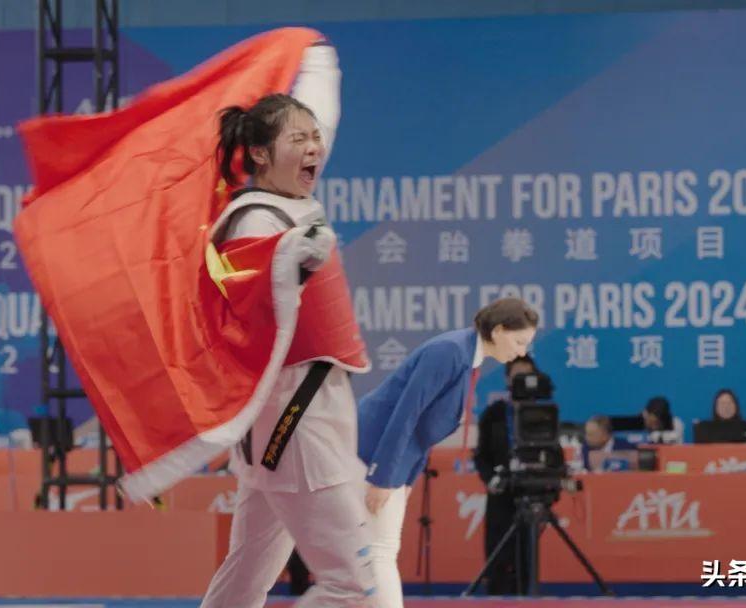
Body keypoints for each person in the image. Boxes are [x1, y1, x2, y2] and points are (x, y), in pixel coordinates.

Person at [200, 40, 376, 608]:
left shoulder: (291, 198)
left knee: (247, 574)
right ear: (258, 154)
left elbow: (320, 116)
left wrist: (320, 58)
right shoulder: (253, 219)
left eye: (314, 139)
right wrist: (292, 258)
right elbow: (246, 295)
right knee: (356, 588)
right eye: (297, 140)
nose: (313, 147)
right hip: (294, 419)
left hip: (301, 412)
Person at [358, 297, 539, 607]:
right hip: (369, 451)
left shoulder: (467, 356)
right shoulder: (450, 351)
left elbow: (422, 430)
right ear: (498, 331)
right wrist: (383, 476)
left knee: (372, 552)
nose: (522, 352)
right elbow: (406, 413)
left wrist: (406, 479)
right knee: (379, 551)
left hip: (389, 457)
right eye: (519, 341)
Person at [473, 354, 535, 595]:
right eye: (517, 375)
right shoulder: (494, 414)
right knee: (498, 555)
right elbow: (481, 456)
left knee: (525, 557)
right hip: (500, 493)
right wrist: (490, 479)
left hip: (529, 493)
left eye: (527, 375)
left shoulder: (541, 413)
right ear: (508, 379)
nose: (522, 380)